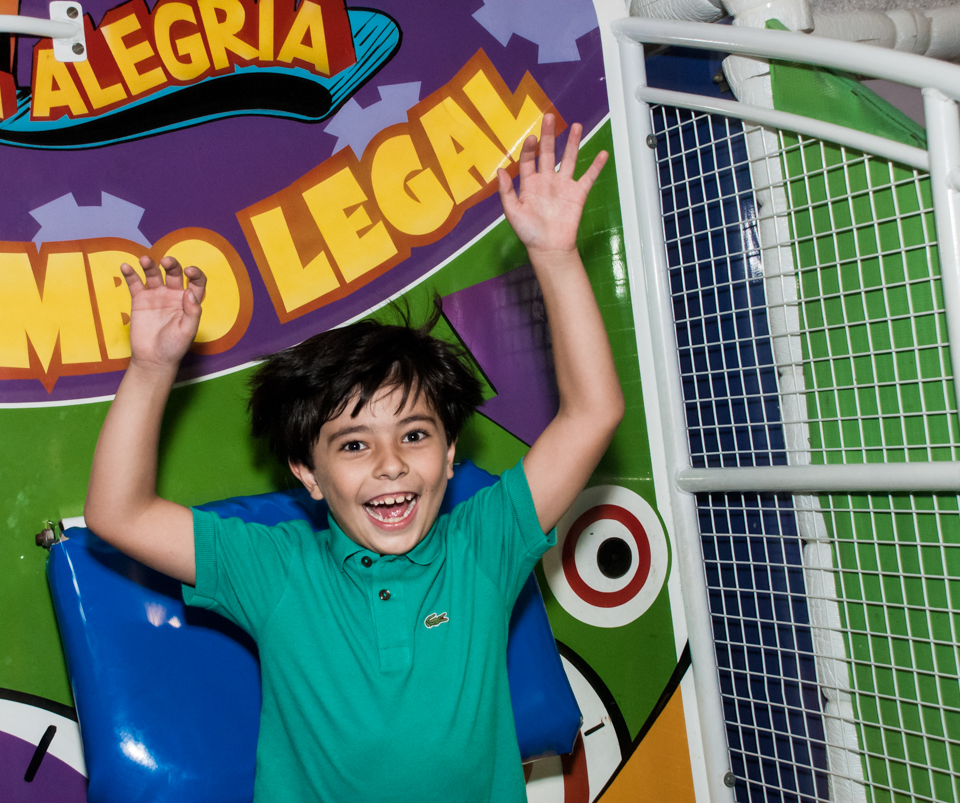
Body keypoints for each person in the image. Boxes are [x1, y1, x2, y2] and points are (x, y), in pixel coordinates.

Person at [84, 113, 623, 802]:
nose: (391, 463)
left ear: (452, 452)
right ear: (307, 473)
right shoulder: (273, 569)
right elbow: (117, 512)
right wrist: (153, 365)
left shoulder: (484, 545)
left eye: (416, 435)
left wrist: (554, 255)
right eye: (354, 444)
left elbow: (593, 413)